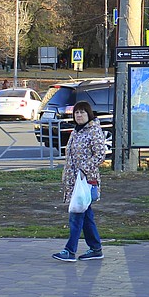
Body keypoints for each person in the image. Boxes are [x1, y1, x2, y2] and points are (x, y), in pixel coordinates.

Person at [52, 100, 108, 262]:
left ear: (89, 114)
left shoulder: (93, 131)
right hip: (74, 181)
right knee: (85, 215)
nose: (79, 115)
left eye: (82, 112)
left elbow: (99, 155)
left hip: (85, 181)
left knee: (76, 214)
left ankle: (70, 250)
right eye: (76, 112)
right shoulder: (77, 131)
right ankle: (96, 248)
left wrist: (83, 170)